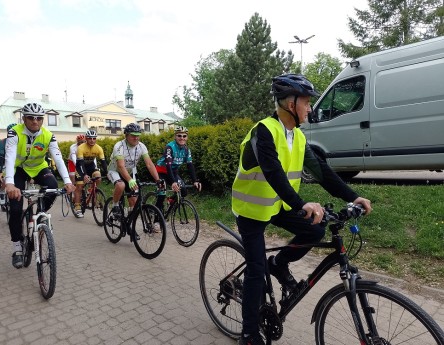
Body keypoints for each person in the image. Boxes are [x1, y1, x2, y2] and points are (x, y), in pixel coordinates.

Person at [231, 74, 372, 345]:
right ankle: (248, 334)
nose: (310, 108)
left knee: (315, 229)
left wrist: (354, 196)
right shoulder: (264, 131)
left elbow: (323, 172)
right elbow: (272, 172)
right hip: (251, 208)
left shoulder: (297, 137)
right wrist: (301, 203)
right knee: (255, 268)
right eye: (307, 102)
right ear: (290, 104)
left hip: (278, 204)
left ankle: (280, 263)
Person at [5, 103, 75, 269]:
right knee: (15, 209)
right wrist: (9, 183)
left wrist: (67, 181)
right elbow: (9, 157)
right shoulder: (15, 132)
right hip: (19, 170)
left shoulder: (48, 135)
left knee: (52, 187)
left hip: (39, 168)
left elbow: (58, 158)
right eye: (31, 117)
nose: (35, 121)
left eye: (39, 118)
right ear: (24, 118)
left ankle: (39, 214)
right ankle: (17, 248)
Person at [107, 123, 165, 218]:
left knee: (134, 201)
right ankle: (115, 205)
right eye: (133, 135)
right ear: (126, 135)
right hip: (115, 170)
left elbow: (149, 164)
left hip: (130, 171)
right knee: (121, 185)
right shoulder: (119, 146)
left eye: (138, 136)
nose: (136, 138)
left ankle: (130, 226)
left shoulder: (141, 146)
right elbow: (121, 166)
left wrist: (158, 180)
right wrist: (129, 180)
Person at [154, 126, 201, 211]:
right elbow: (168, 165)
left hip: (173, 172)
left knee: (183, 191)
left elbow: (190, 165)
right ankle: (156, 213)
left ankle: (170, 200)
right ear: (175, 136)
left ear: (187, 137)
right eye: (179, 136)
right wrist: (173, 182)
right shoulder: (170, 147)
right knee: (162, 193)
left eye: (184, 136)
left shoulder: (186, 149)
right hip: (161, 171)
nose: (182, 138)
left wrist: (195, 180)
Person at [73, 129, 107, 218]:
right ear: (86, 139)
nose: (92, 140)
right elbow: (80, 163)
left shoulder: (99, 148)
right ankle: (77, 207)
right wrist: (84, 175)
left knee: (98, 177)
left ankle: (91, 191)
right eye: (90, 138)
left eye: (94, 138)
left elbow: (103, 162)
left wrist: (107, 173)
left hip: (91, 166)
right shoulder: (81, 148)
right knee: (79, 186)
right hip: (81, 168)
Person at [0, 123, 17, 207]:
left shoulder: (20, 140)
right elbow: (0, 158)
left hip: (17, 163)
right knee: (5, 177)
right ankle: (1, 192)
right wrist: (0, 172)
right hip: (5, 162)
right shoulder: (2, 143)